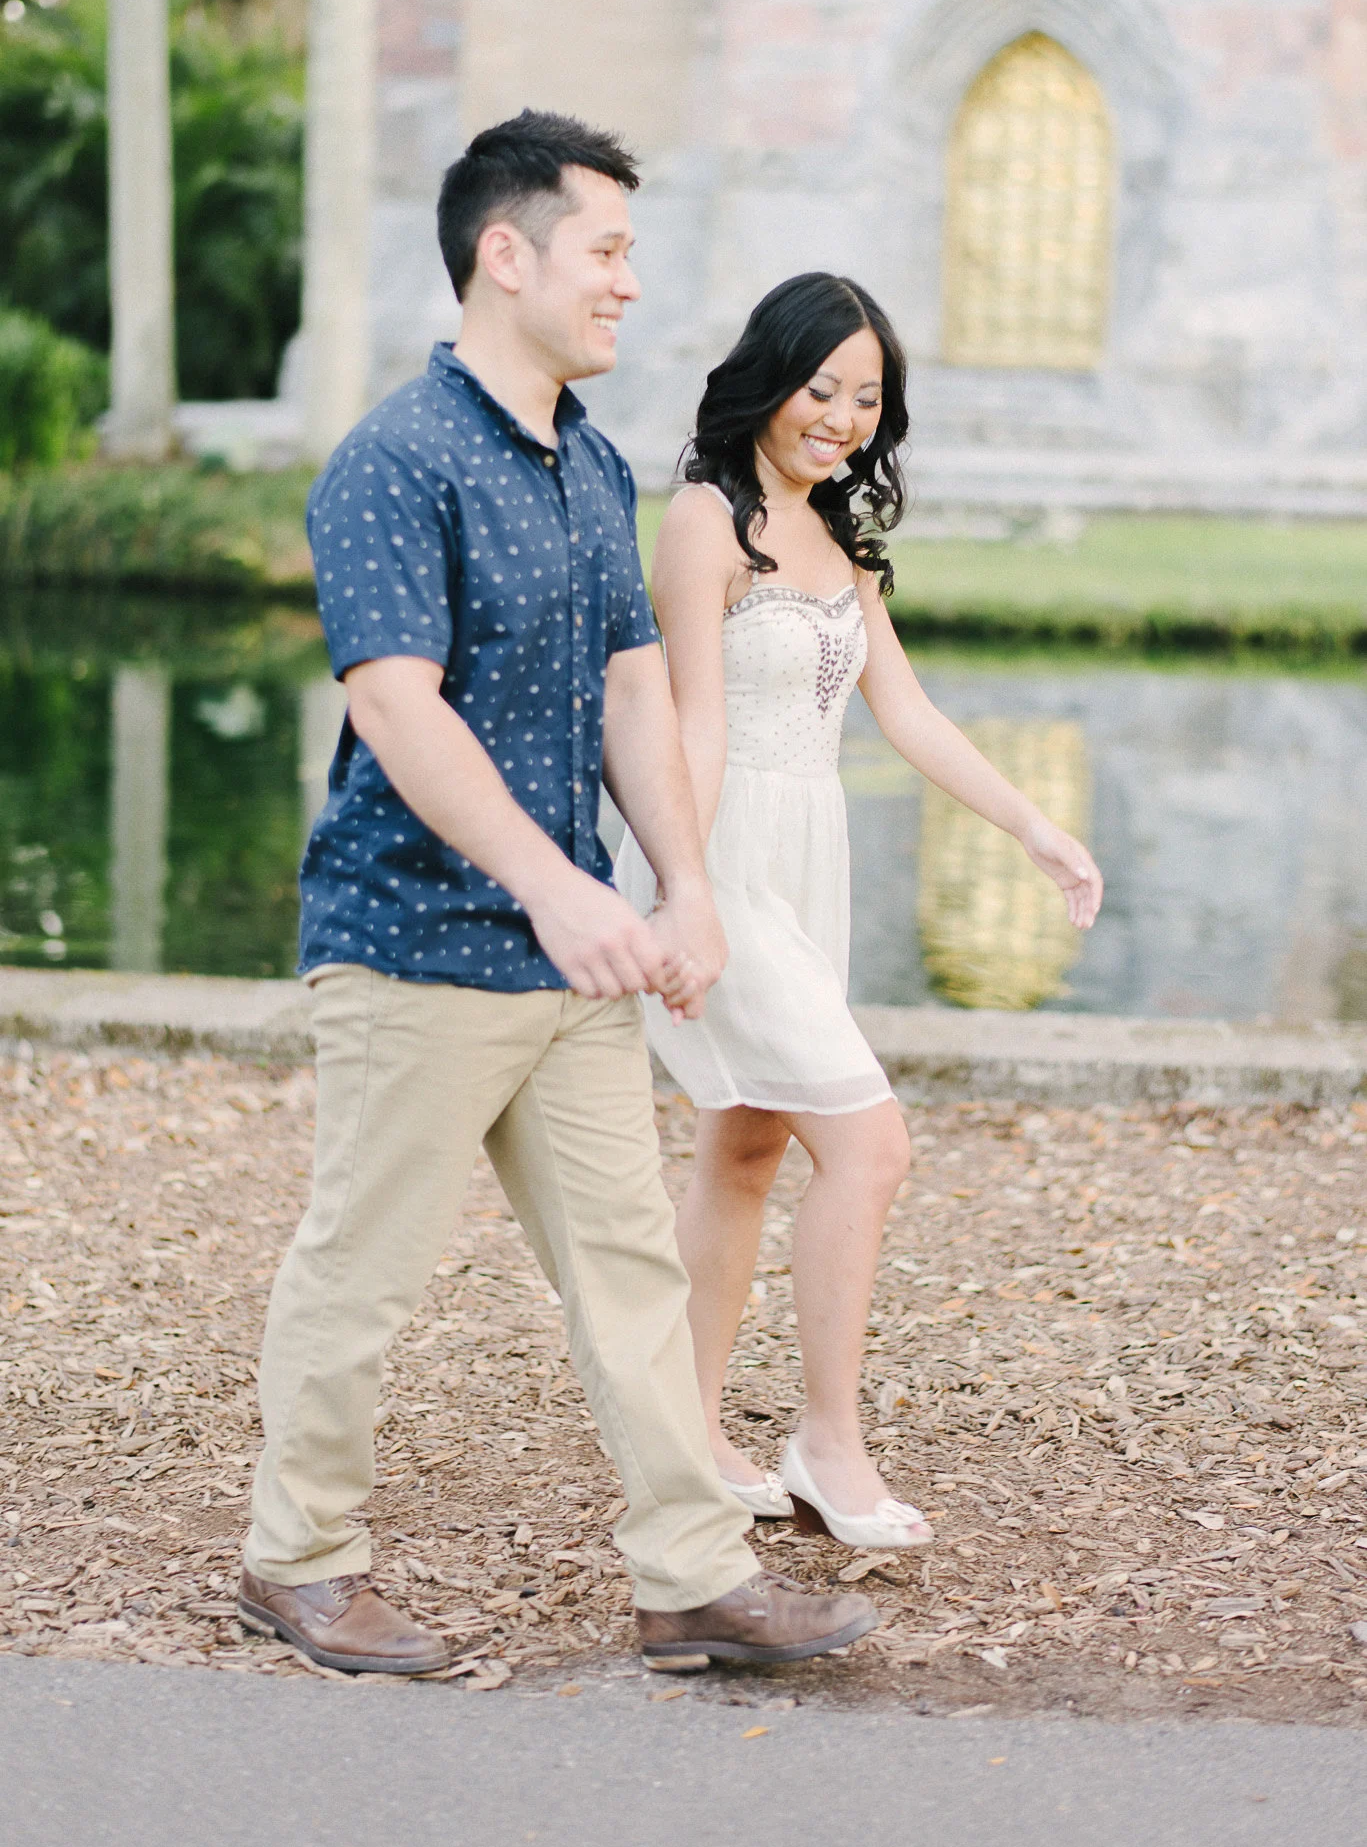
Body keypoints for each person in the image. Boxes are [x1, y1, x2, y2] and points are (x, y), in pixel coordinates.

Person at [235, 118, 877, 1675]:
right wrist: (550, 887)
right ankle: (295, 1562)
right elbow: (394, 702)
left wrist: (679, 887)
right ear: (503, 254)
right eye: (605, 250)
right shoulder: (395, 458)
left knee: (629, 1272)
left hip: (573, 952)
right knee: (362, 1270)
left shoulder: (589, 462)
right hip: (414, 946)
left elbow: (633, 689)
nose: (627, 283)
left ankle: (690, 1578)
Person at [615, 273, 1104, 1549]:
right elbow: (691, 724)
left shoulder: (836, 532)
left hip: (804, 862)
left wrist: (1034, 827)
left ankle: (686, 1432)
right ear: (767, 379)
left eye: (865, 398)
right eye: (819, 387)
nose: (838, 417)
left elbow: (907, 711)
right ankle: (826, 1442)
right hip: (723, 853)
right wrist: (679, 890)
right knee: (871, 1146)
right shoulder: (703, 520)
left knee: (744, 1145)